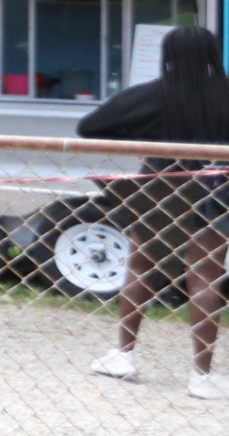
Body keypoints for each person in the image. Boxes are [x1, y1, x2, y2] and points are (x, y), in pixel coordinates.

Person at [80, 24, 229, 400]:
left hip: (161, 190)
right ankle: (202, 376)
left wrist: (141, 141)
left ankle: (123, 355)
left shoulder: (152, 95)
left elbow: (90, 126)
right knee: (207, 278)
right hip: (219, 190)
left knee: (141, 268)